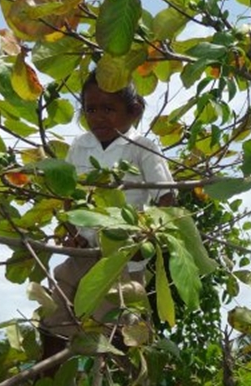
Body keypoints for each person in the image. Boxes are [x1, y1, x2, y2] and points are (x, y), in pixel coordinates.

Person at [40, 70, 174, 359]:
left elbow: (167, 198)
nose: (98, 116)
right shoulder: (80, 145)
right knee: (54, 317)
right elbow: (69, 196)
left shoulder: (144, 148)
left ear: (134, 111)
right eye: (91, 109)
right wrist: (73, 234)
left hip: (122, 256)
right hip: (84, 252)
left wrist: (145, 238)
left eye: (109, 109)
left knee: (120, 330)